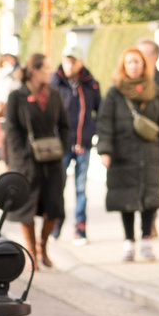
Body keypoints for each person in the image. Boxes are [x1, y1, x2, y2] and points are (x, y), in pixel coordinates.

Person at [95, 46, 159, 261]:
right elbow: (104, 123)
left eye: (137, 62)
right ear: (123, 66)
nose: (133, 66)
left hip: (150, 155)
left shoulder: (155, 91)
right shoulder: (115, 93)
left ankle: (147, 241)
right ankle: (129, 241)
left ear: (144, 65)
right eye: (129, 62)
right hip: (123, 154)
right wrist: (105, 150)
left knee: (150, 199)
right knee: (126, 199)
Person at [2, 54, 71, 267]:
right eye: (46, 69)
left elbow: (65, 125)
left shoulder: (53, 94)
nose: (49, 73)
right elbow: (11, 129)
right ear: (34, 70)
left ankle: (44, 244)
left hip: (52, 160)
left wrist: (62, 149)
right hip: (27, 161)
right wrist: (20, 156)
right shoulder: (17, 96)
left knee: (54, 208)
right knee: (27, 208)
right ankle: (31, 250)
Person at [59, 52, 101, 240]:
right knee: (58, 187)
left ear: (80, 63)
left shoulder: (91, 84)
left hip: (83, 145)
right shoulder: (56, 83)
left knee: (81, 188)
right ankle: (54, 226)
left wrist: (91, 133)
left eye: (72, 61)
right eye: (66, 61)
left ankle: (80, 228)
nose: (69, 65)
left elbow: (100, 112)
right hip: (62, 145)